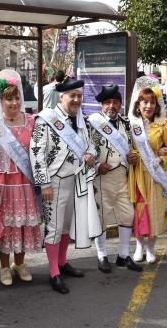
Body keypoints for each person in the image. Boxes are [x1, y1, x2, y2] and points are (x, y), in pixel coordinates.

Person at [30, 78, 102, 294]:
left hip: (78, 180)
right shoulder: (46, 120)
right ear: (61, 97)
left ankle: (62, 262)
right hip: (55, 182)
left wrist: (91, 154)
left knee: (66, 226)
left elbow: (93, 145)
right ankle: (54, 273)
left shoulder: (83, 121)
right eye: (72, 96)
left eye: (79, 96)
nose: (76, 100)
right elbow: (36, 153)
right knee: (54, 227)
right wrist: (44, 184)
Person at [0, 70, 42, 286]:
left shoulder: (31, 121)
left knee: (22, 225)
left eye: (16, 98)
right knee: (5, 226)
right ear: (0, 100)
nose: (13, 103)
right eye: (8, 98)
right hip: (3, 185)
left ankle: (20, 263)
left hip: (24, 184)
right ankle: (4, 267)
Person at [89, 84, 141, 273]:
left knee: (127, 215)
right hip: (102, 179)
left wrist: (134, 156)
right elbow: (84, 151)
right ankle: (102, 255)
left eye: (115, 102)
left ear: (120, 104)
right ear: (101, 105)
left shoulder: (127, 123)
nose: (112, 106)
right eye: (108, 102)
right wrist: (96, 166)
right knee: (101, 218)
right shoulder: (92, 124)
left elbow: (134, 147)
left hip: (123, 177)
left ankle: (123, 255)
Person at [128, 76, 167, 264]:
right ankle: (139, 246)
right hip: (138, 175)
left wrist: (163, 156)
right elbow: (127, 147)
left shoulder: (163, 124)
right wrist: (131, 155)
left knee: (155, 211)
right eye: (144, 102)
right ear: (138, 104)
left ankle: (151, 247)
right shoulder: (131, 124)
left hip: (157, 175)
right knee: (139, 211)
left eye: (151, 102)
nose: (148, 106)